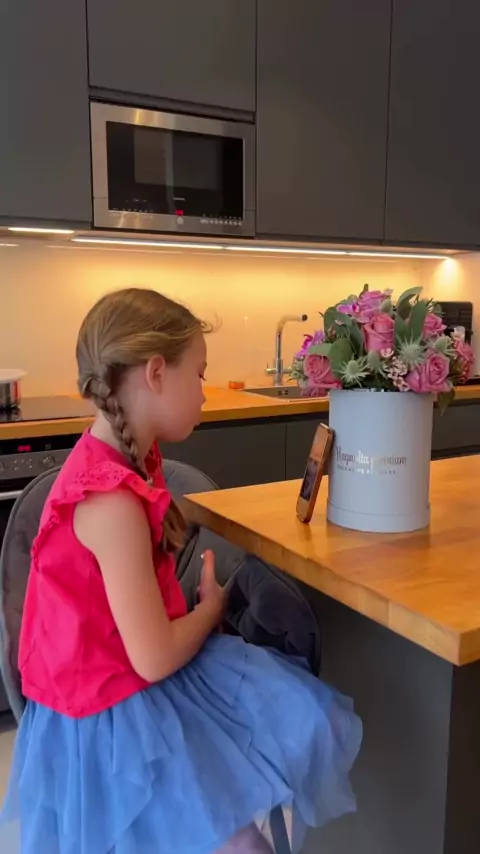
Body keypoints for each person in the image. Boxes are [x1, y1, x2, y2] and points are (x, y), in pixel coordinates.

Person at [0, 288, 362, 853]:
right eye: (198, 374)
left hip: (133, 678)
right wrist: (211, 609)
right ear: (154, 374)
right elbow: (153, 657)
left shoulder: (130, 459)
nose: (203, 391)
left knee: (313, 726)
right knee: (241, 840)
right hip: (104, 713)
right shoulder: (110, 503)